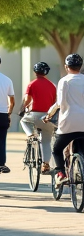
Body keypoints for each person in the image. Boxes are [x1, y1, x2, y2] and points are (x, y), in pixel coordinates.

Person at [43, 54, 84, 187]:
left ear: (66, 67)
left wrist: (49, 114)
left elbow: (59, 103)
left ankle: (61, 174)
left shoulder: (64, 81)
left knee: (56, 149)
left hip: (68, 123)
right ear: (80, 66)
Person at [19, 62, 56, 173]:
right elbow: (54, 102)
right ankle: (45, 164)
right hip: (47, 117)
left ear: (35, 72)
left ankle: (31, 135)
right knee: (46, 141)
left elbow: (27, 100)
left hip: (34, 115)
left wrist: (22, 109)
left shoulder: (32, 84)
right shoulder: (52, 86)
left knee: (23, 121)